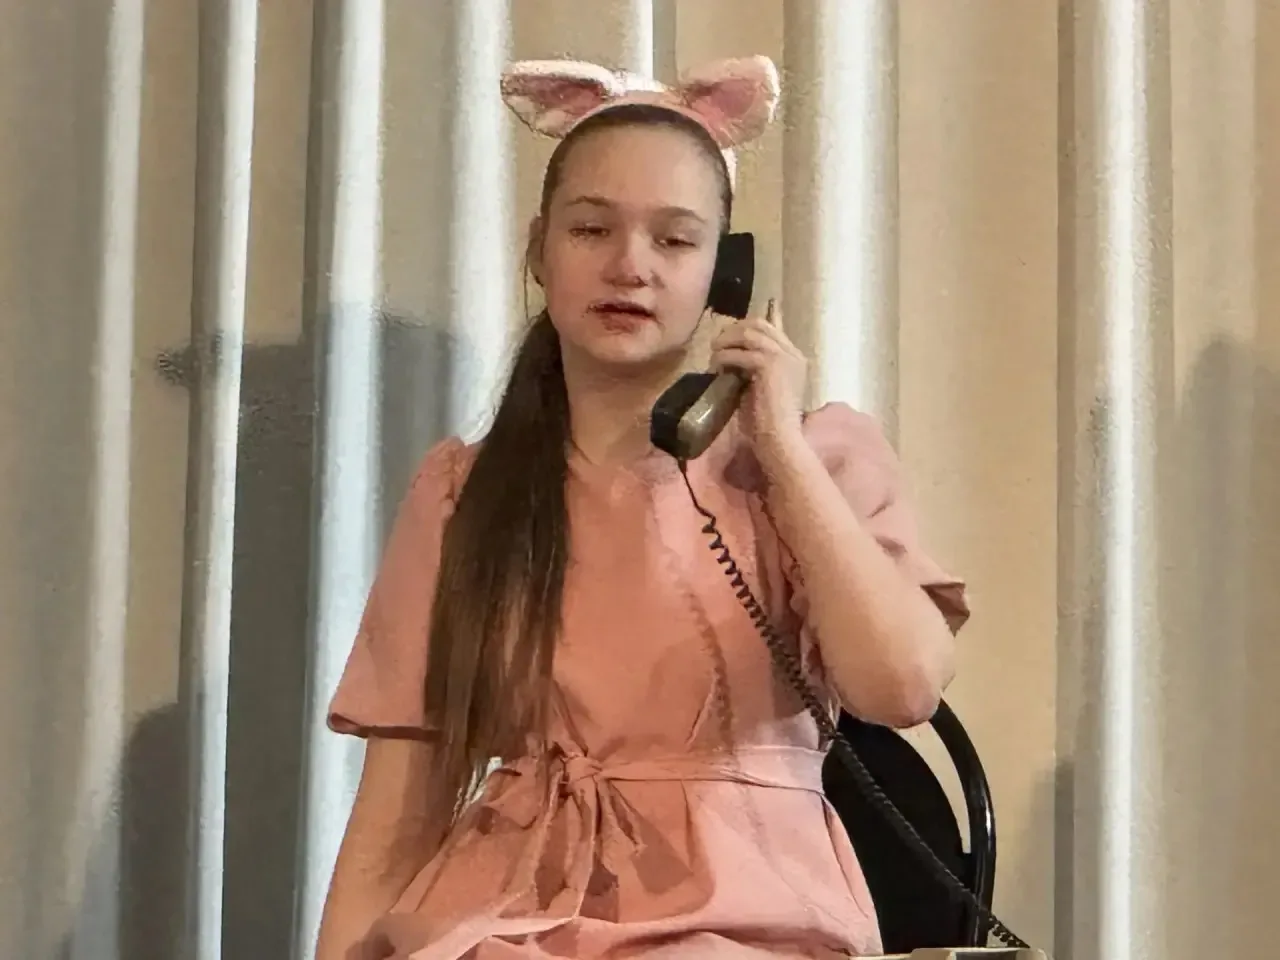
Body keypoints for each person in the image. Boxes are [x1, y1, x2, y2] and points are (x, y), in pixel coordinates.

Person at [315, 54, 968, 960]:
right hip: (501, 914)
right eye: (592, 229)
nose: (629, 266)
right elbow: (400, 805)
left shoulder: (820, 457)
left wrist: (781, 450)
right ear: (539, 248)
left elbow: (900, 688)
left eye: (674, 240)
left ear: (726, 272)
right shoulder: (466, 491)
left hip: (742, 919)